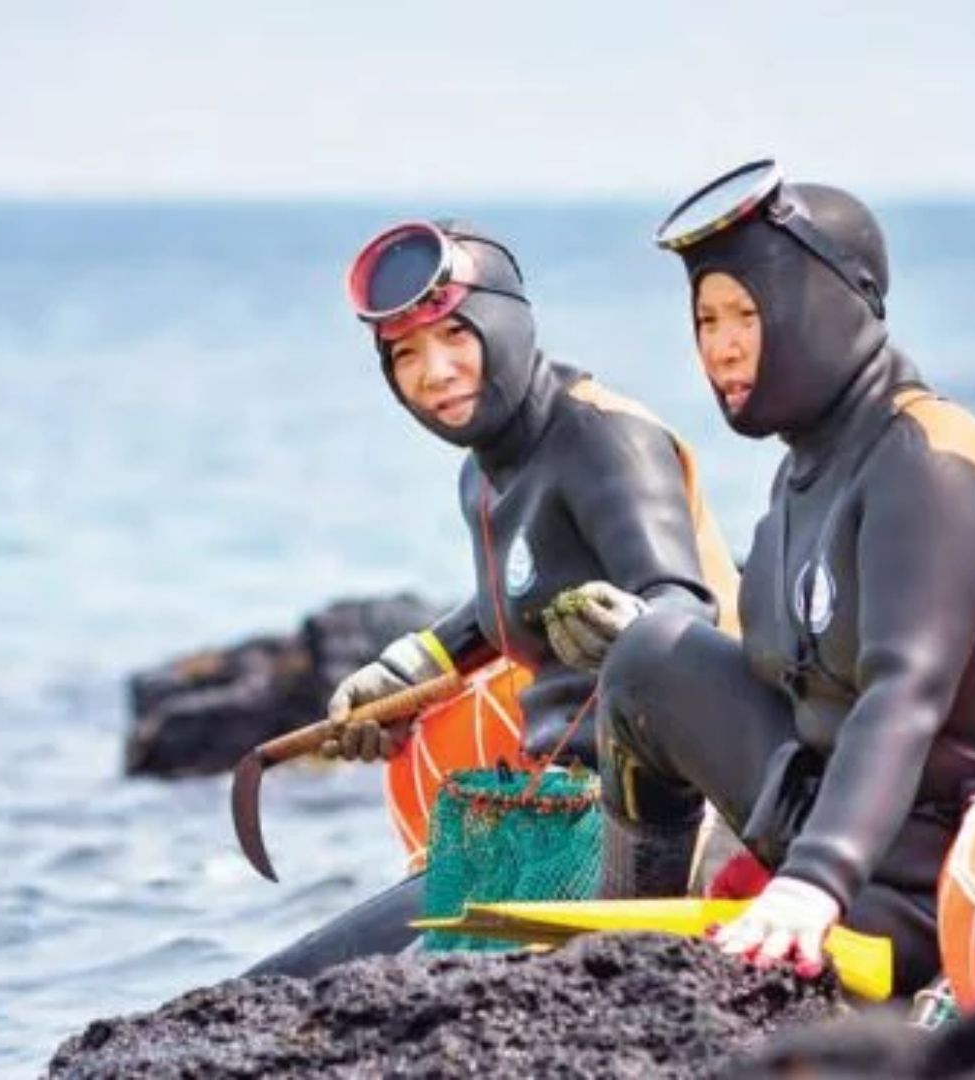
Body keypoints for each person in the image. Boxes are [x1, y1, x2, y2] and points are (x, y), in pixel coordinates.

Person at [593, 161, 975, 994]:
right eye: (706, 318)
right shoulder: (804, 472)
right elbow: (783, 670)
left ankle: (770, 907)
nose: (722, 344)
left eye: (749, 314)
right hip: (849, 818)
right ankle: (618, 923)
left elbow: (901, 694)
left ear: (827, 305)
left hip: (966, 874)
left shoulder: (928, 461)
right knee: (649, 657)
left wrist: (811, 882)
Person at [249, 218, 738, 976]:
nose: (434, 372)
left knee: (377, 996)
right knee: (286, 986)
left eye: (454, 337)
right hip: (547, 819)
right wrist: (413, 666)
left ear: (505, 324)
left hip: (671, 824)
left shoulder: (603, 437)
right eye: (403, 355)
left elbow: (684, 605)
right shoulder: (482, 471)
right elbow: (515, 596)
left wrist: (633, 628)